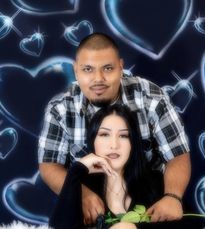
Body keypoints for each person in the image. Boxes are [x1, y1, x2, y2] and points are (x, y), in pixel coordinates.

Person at [38, 32, 191, 224]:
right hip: (91, 213)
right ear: (76, 71)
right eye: (88, 69)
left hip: (148, 204)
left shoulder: (152, 97)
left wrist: (172, 197)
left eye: (108, 68)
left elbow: (178, 154)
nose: (98, 78)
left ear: (121, 67)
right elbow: (49, 165)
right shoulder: (60, 109)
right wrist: (80, 193)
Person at [49, 104, 184, 229]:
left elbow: (191, 224)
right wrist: (76, 169)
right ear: (93, 141)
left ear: (132, 143)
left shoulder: (155, 182)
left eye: (124, 136)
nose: (114, 145)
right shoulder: (80, 187)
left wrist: (133, 228)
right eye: (104, 134)